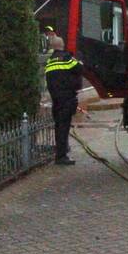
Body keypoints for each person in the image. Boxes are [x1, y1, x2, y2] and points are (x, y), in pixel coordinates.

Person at [45, 36, 82, 165]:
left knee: (58, 126)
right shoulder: (66, 58)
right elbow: (79, 68)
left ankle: (61, 151)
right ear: (62, 45)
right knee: (64, 127)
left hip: (56, 99)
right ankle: (61, 156)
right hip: (67, 98)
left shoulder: (50, 61)